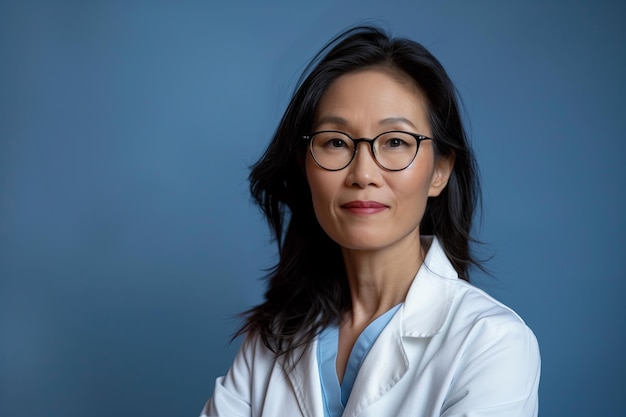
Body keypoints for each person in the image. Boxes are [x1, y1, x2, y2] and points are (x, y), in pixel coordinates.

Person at [199, 25, 540, 417]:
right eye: (336, 142)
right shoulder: (271, 337)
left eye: (395, 141)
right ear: (305, 166)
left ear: (439, 172)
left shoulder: (492, 343)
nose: (363, 173)